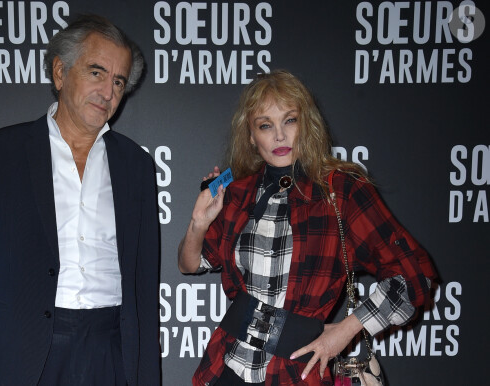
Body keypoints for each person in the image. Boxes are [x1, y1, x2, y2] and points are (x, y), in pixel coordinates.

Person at [178, 70, 436, 385]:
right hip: (229, 364)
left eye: (290, 120)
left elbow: (414, 275)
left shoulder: (342, 191)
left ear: (307, 123)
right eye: (265, 125)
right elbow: (189, 263)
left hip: (297, 372)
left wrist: (346, 330)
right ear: (250, 135)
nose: (279, 136)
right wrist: (198, 223)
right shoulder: (237, 191)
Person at [0, 15, 160, 386]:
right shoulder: (1, 153)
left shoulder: (137, 165)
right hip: (26, 354)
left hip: (110, 351)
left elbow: (144, 292)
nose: (108, 92)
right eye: (96, 73)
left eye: (118, 81)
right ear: (60, 72)